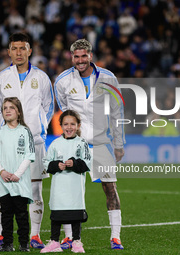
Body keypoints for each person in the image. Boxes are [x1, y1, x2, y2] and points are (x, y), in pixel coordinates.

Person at [54, 39, 126, 250]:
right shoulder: (63, 81)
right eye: (76, 57)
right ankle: (69, 237)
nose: (80, 60)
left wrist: (119, 143)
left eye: (84, 56)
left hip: (102, 143)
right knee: (70, 190)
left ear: (91, 56)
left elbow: (117, 112)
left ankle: (115, 236)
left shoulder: (108, 78)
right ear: (72, 57)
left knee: (110, 188)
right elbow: (65, 114)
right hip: (76, 145)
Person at [0, 32, 54, 249]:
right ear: (8, 52)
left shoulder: (41, 78)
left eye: (22, 48)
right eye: (14, 48)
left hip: (34, 141)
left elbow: (48, 107)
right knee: (4, 190)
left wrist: (39, 130)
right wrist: (8, 131)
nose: (18, 52)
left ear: (30, 51)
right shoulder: (0, 79)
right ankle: (1, 235)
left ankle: (35, 235)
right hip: (7, 143)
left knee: (35, 190)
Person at [41, 110, 91, 253]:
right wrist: (57, 165)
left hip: (75, 186)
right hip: (59, 186)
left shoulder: (82, 143)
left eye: (72, 124)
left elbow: (87, 163)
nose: (69, 127)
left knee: (75, 215)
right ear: (61, 126)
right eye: (66, 124)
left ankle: (76, 241)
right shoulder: (55, 144)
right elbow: (46, 163)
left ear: (78, 125)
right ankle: (54, 242)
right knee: (57, 214)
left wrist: (73, 163)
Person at [0, 97, 35, 252]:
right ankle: (7, 243)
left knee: (22, 214)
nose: (7, 110)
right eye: (4, 108)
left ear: (19, 112)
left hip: (20, 180)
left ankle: (24, 244)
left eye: (11, 107)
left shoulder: (25, 131)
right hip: (3, 180)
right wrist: (1, 171)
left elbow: (29, 155)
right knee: (6, 214)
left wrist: (17, 174)